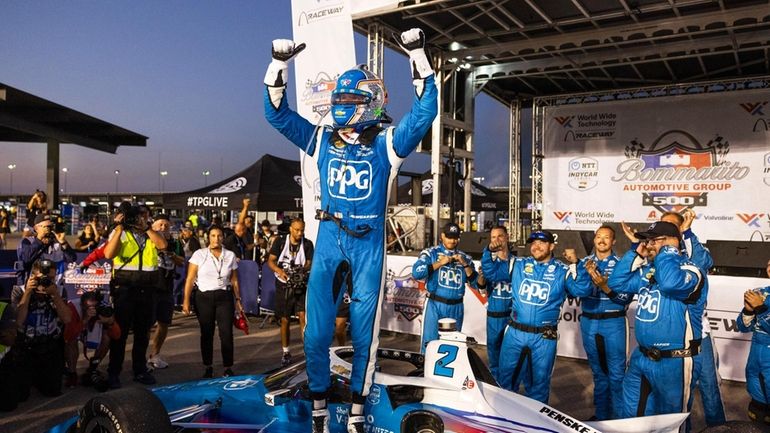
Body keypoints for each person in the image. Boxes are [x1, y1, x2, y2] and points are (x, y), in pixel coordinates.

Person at [264, 27, 437, 433]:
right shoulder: (321, 138)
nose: (341, 105)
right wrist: (277, 64)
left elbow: (426, 110)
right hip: (328, 241)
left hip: (368, 245)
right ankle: (320, 408)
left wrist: (418, 56)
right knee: (316, 333)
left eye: (350, 99)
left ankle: (358, 413)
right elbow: (275, 114)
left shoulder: (388, 143)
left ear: (371, 102)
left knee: (364, 336)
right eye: (338, 99)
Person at [607, 221, 704, 418]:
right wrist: (636, 253)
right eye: (647, 240)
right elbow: (616, 282)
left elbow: (670, 283)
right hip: (641, 358)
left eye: (653, 240)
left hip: (674, 360)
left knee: (670, 422)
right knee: (632, 418)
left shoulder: (692, 270)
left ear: (672, 242)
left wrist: (668, 252)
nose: (649, 245)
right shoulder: (648, 270)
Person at [485, 230, 589, 403]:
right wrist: (488, 251)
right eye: (533, 243)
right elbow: (491, 273)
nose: (536, 246)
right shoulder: (518, 264)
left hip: (544, 337)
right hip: (515, 334)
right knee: (505, 382)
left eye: (541, 242)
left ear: (552, 246)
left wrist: (577, 264)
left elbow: (582, 290)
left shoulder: (562, 271)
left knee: (538, 386)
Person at [660, 209, 725, 427]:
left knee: (708, 384)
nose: (665, 230)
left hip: (699, 332)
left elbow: (705, 261)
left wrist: (688, 232)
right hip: (671, 332)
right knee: (678, 392)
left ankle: (719, 429)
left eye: (671, 226)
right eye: (662, 225)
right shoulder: (657, 255)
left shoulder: (692, 247)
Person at [103, 202, 167, 388]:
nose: (140, 219)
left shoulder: (151, 234)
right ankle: (114, 372)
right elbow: (108, 253)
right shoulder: (120, 233)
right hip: (125, 289)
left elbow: (162, 245)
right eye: (137, 216)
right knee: (120, 334)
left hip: (147, 289)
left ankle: (139, 370)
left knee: (142, 333)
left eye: (144, 216)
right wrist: (120, 227)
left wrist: (147, 228)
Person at [570, 225, 630, 420]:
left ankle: (618, 421)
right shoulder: (584, 263)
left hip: (613, 323)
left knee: (617, 375)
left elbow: (625, 298)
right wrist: (581, 273)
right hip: (589, 322)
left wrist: (605, 286)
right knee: (598, 374)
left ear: (613, 242)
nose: (602, 241)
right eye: (598, 237)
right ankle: (602, 417)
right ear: (594, 240)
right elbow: (575, 291)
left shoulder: (621, 264)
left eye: (607, 238)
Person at [182, 225, 244, 378]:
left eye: (219, 236)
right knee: (207, 333)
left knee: (226, 333)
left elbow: (234, 279)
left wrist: (238, 299)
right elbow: (190, 279)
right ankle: (208, 366)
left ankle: (228, 367)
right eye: (213, 236)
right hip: (204, 297)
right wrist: (185, 301)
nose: (216, 239)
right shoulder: (199, 254)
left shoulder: (229, 255)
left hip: (224, 297)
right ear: (208, 238)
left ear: (223, 237)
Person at [412, 222, 479, 351]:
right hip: (435, 305)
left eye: (455, 237)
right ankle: (424, 371)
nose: (452, 241)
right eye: (449, 237)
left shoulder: (465, 258)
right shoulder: (430, 253)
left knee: (452, 347)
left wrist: (465, 264)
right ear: (442, 236)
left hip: (456, 307)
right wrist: (440, 263)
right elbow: (416, 273)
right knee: (430, 345)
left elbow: (477, 284)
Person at [13, 259, 72, 398]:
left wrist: (55, 296)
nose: (46, 282)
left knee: (53, 391)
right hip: (26, 348)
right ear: (32, 276)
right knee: (20, 396)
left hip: (50, 346)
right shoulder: (19, 290)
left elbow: (67, 319)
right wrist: (28, 292)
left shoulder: (59, 290)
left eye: (51, 278)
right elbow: (18, 322)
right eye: (42, 278)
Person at [267, 218, 314, 366]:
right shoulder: (280, 242)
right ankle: (286, 351)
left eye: (302, 230)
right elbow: (271, 261)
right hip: (283, 284)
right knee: (285, 318)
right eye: (297, 230)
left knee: (302, 316)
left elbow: (309, 262)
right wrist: (280, 271)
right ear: (291, 229)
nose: (300, 233)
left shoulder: (307, 244)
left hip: (300, 283)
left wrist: (302, 270)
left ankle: (307, 350)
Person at [63, 291, 120, 391]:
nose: (92, 310)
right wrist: (85, 319)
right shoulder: (73, 306)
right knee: (71, 340)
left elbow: (117, 335)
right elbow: (68, 335)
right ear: (82, 305)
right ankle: (72, 373)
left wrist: (110, 323)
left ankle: (93, 368)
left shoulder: (105, 308)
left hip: (93, 330)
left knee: (106, 338)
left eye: (95, 307)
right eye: (89, 307)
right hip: (79, 327)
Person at [147, 214, 184, 370]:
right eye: (160, 225)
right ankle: (140, 357)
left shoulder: (174, 242)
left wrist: (172, 255)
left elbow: (182, 262)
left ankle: (155, 354)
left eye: (166, 225)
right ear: (153, 227)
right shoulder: (147, 240)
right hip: (150, 286)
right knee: (147, 323)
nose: (163, 228)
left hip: (167, 287)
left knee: (164, 322)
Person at [737, 258, 770, 426]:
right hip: (755, 359)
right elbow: (742, 327)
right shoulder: (761, 293)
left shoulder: (761, 300)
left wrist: (761, 309)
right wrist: (748, 311)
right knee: (756, 412)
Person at [480, 225, 514, 383]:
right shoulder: (488, 263)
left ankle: (509, 392)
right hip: (494, 316)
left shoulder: (518, 262)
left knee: (511, 358)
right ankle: (495, 390)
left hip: (513, 318)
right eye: (493, 237)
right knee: (494, 358)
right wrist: (480, 280)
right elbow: (480, 287)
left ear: (507, 237)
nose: (496, 240)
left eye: (500, 236)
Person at [16, 214, 76, 286]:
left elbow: (71, 259)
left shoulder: (57, 242)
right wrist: (39, 240)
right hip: (32, 285)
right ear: (36, 228)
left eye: (50, 226)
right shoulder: (27, 241)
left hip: (55, 286)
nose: (48, 229)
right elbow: (26, 259)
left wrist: (63, 242)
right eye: (45, 227)